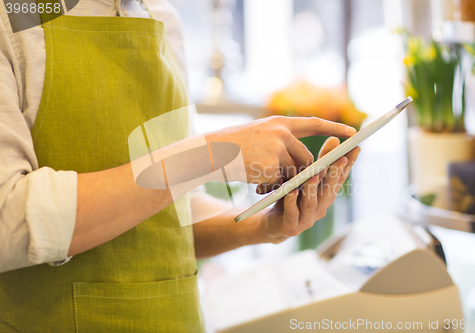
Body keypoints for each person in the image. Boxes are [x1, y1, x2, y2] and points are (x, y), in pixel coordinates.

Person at [0, 0, 360, 331]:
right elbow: (9, 217)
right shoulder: (11, 15)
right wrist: (213, 154)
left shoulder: (162, 17)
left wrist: (264, 223)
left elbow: (172, 215)